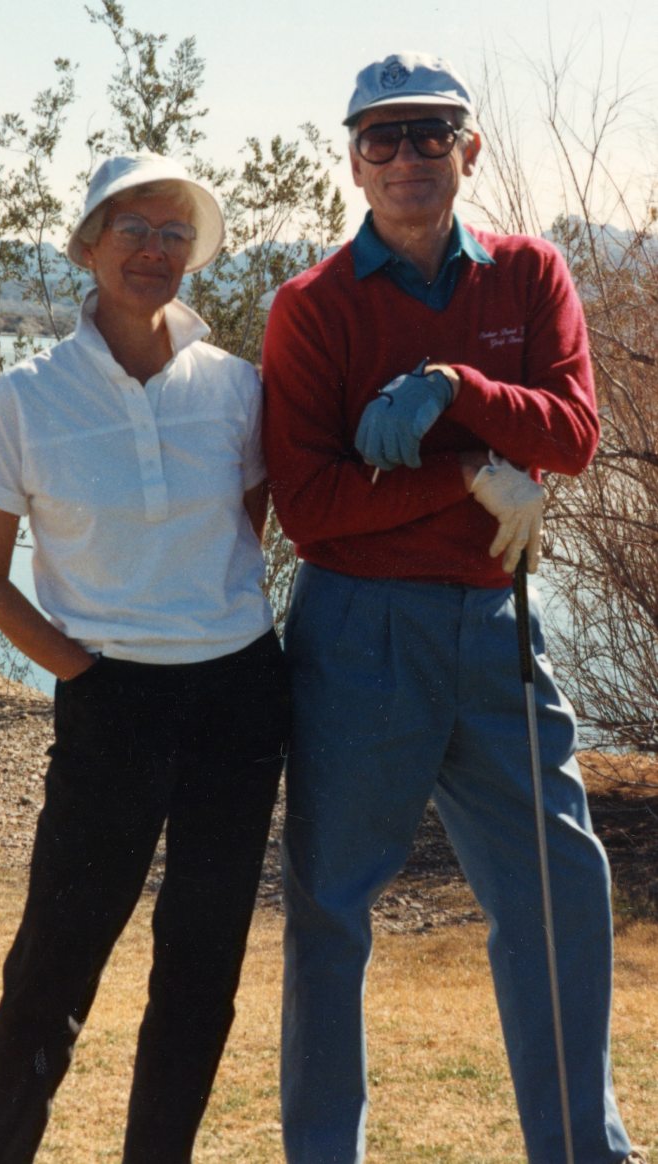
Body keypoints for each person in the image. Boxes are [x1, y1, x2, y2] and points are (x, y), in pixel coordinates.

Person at [262, 53, 645, 1164]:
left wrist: (456, 388)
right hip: (357, 630)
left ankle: (581, 1148)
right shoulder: (310, 306)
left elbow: (574, 434)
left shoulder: (528, 274)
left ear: (468, 150)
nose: (406, 156)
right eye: (380, 137)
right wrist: (473, 470)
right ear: (353, 162)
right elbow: (313, 508)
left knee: (559, 891)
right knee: (332, 908)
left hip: (494, 625)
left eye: (430, 132)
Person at [0, 150, 289, 1164]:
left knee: (201, 966)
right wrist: (86, 673)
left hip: (238, 698)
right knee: (53, 965)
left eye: (173, 232)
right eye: (133, 229)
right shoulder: (27, 396)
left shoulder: (235, 387)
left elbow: (243, 529)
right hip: (111, 702)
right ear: (89, 245)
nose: (154, 249)